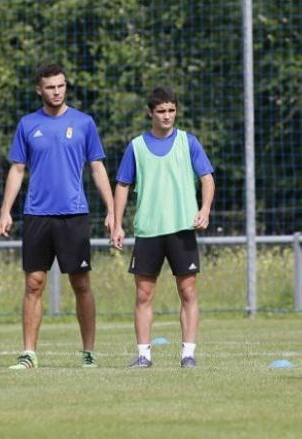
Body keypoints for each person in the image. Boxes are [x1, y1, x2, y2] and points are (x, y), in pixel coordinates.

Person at [0, 63, 114, 369]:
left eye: (61, 86)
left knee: (81, 284)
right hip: (37, 215)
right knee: (34, 283)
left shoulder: (84, 123)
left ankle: (88, 352)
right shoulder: (27, 125)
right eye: (50, 87)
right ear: (40, 90)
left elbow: (97, 167)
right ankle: (29, 354)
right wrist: (5, 210)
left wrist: (113, 211)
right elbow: (17, 169)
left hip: (73, 215)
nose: (57, 91)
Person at [112, 86, 215, 368]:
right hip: (149, 229)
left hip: (182, 228)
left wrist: (204, 209)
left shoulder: (188, 142)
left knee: (188, 292)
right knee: (143, 295)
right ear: (150, 113)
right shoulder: (136, 146)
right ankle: (144, 355)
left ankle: (188, 354)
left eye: (171, 110)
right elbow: (122, 184)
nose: (167, 116)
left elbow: (206, 177)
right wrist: (117, 224)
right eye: (161, 111)